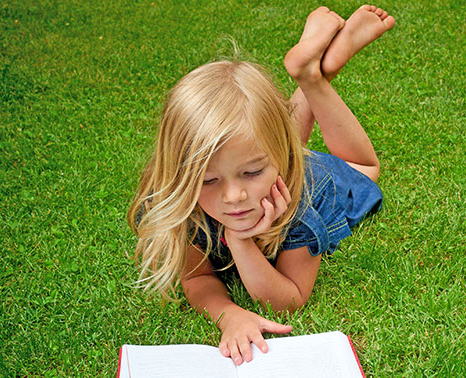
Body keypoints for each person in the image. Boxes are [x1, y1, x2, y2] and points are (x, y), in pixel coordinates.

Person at [127, 5, 395, 366]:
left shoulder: (300, 200)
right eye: (208, 179)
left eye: (250, 174)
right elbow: (196, 279)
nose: (233, 196)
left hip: (308, 172)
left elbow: (290, 299)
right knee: (261, 144)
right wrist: (227, 313)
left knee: (364, 168)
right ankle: (309, 73)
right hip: (273, 156)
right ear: (181, 175)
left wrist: (240, 241)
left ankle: (314, 79)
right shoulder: (180, 202)